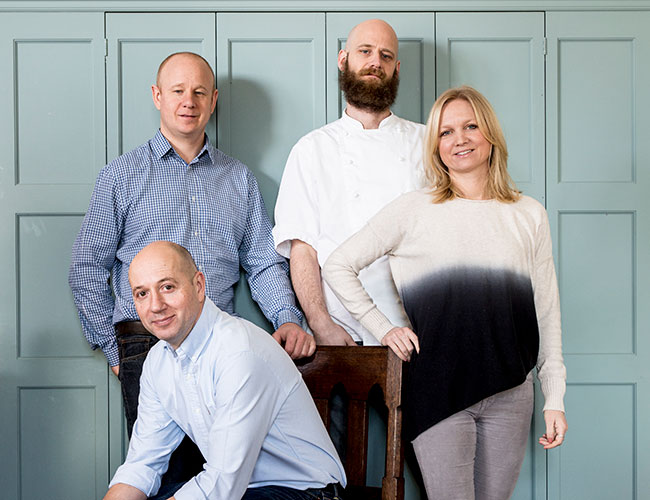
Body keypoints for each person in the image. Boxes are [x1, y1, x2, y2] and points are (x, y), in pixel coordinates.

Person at [69, 52, 314, 484]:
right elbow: (87, 266)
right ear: (157, 96)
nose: (189, 100)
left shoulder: (238, 179)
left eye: (200, 91)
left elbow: (262, 262)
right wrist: (114, 349)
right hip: (145, 344)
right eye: (178, 90)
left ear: (214, 100)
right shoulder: (121, 175)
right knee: (159, 475)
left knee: (227, 475)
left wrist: (288, 318)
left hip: (221, 348)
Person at [323, 85, 567, 499]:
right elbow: (337, 264)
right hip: (438, 388)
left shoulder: (529, 214)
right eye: (446, 132)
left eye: (471, 126)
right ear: (435, 146)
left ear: (490, 134)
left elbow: (546, 310)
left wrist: (554, 397)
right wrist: (383, 328)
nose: (460, 139)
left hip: (511, 392)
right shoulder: (413, 209)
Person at [104, 241, 345, 500]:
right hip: (242, 491)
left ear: (198, 286)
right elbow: (141, 465)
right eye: (142, 293)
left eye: (168, 287)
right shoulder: (157, 363)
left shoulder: (238, 351)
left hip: (307, 492)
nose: (155, 305)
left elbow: (222, 482)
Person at [273, 18, 425, 348]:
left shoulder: (426, 142)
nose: (375, 62)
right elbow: (302, 249)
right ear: (343, 60)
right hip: (344, 332)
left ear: (396, 69)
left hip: (417, 329)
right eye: (365, 51)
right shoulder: (311, 149)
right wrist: (320, 324)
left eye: (386, 56)